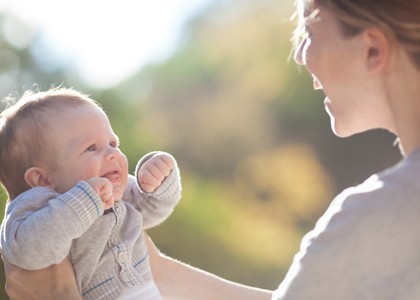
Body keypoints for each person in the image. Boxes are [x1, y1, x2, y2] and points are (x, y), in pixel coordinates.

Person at [4, 0, 420, 298]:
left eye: (309, 33)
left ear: (372, 49)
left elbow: (151, 205)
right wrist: (157, 269)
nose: (298, 53)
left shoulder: (381, 217)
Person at [0, 88, 182, 300]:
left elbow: (152, 211)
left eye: (113, 143)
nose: (113, 154)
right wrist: (83, 202)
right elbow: (27, 251)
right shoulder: (36, 206)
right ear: (43, 180)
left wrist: (158, 182)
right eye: (91, 148)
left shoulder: (115, 189)